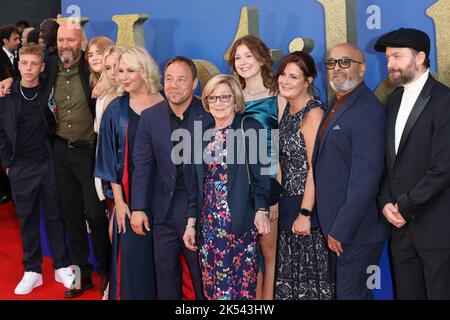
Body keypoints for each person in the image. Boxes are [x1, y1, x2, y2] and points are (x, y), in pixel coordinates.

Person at [375, 28, 450, 300]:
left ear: (420, 57)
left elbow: (444, 169)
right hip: (400, 230)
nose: (390, 64)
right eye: (387, 58)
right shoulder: (393, 100)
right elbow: (388, 162)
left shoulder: (444, 100)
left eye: (396, 56)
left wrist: (404, 205)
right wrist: (385, 201)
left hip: (437, 231)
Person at [131, 56, 213, 300]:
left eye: (181, 79)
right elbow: (142, 166)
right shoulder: (150, 117)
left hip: (199, 210)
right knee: (165, 277)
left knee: (202, 277)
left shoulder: (208, 116)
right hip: (162, 210)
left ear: (195, 83)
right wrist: (138, 207)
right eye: (168, 79)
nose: (173, 85)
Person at [183, 74, 271, 300]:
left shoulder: (249, 126)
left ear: (235, 99)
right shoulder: (202, 131)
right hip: (208, 224)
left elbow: (261, 176)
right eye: (213, 97)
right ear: (206, 101)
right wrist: (191, 224)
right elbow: (195, 185)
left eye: (225, 97)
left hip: (239, 219)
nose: (219, 103)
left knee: (241, 287)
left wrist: (261, 210)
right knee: (213, 286)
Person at [313, 43, 389, 299]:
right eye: (332, 63)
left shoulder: (367, 109)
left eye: (345, 62)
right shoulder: (338, 102)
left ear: (362, 68)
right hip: (338, 230)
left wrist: (341, 229)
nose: (336, 69)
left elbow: (366, 178)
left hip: (356, 232)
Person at [0, 43, 74, 295]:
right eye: (24, 63)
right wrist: (8, 164)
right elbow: (0, 131)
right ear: (17, 65)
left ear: (42, 67)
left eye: (34, 64)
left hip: (48, 163)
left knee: (55, 215)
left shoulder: (48, 90)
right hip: (19, 167)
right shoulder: (6, 96)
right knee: (27, 220)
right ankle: (33, 270)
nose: (28, 68)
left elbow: (62, 57)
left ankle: (62, 265)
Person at [44, 20, 111, 298]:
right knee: (70, 216)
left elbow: (114, 80)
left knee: (95, 216)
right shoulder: (50, 68)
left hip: (89, 152)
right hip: (60, 151)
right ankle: (82, 274)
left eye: (70, 40)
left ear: (81, 43)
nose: (64, 45)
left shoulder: (91, 70)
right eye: (61, 40)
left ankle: (108, 273)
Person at [95, 47, 163, 299]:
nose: (122, 76)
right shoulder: (116, 109)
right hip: (130, 198)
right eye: (119, 70)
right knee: (133, 263)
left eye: (130, 70)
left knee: (163, 263)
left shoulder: (166, 102)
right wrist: (119, 204)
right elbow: (108, 159)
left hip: (166, 197)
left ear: (144, 71)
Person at [274, 52, 334, 300]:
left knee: (308, 284)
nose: (284, 81)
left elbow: (315, 168)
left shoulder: (313, 114)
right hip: (288, 205)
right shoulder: (286, 110)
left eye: (293, 76)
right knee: (290, 283)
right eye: (283, 74)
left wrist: (305, 214)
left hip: (306, 210)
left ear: (308, 80)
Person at [228, 35, 282, 300]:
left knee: (268, 252)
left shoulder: (277, 96)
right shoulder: (232, 97)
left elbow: (282, 148)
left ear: (262, 59)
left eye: (248, 55)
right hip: (238, 184)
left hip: (268, 181)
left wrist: (274, 194)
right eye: (238, 57)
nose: (243, 62)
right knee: (249, 256)